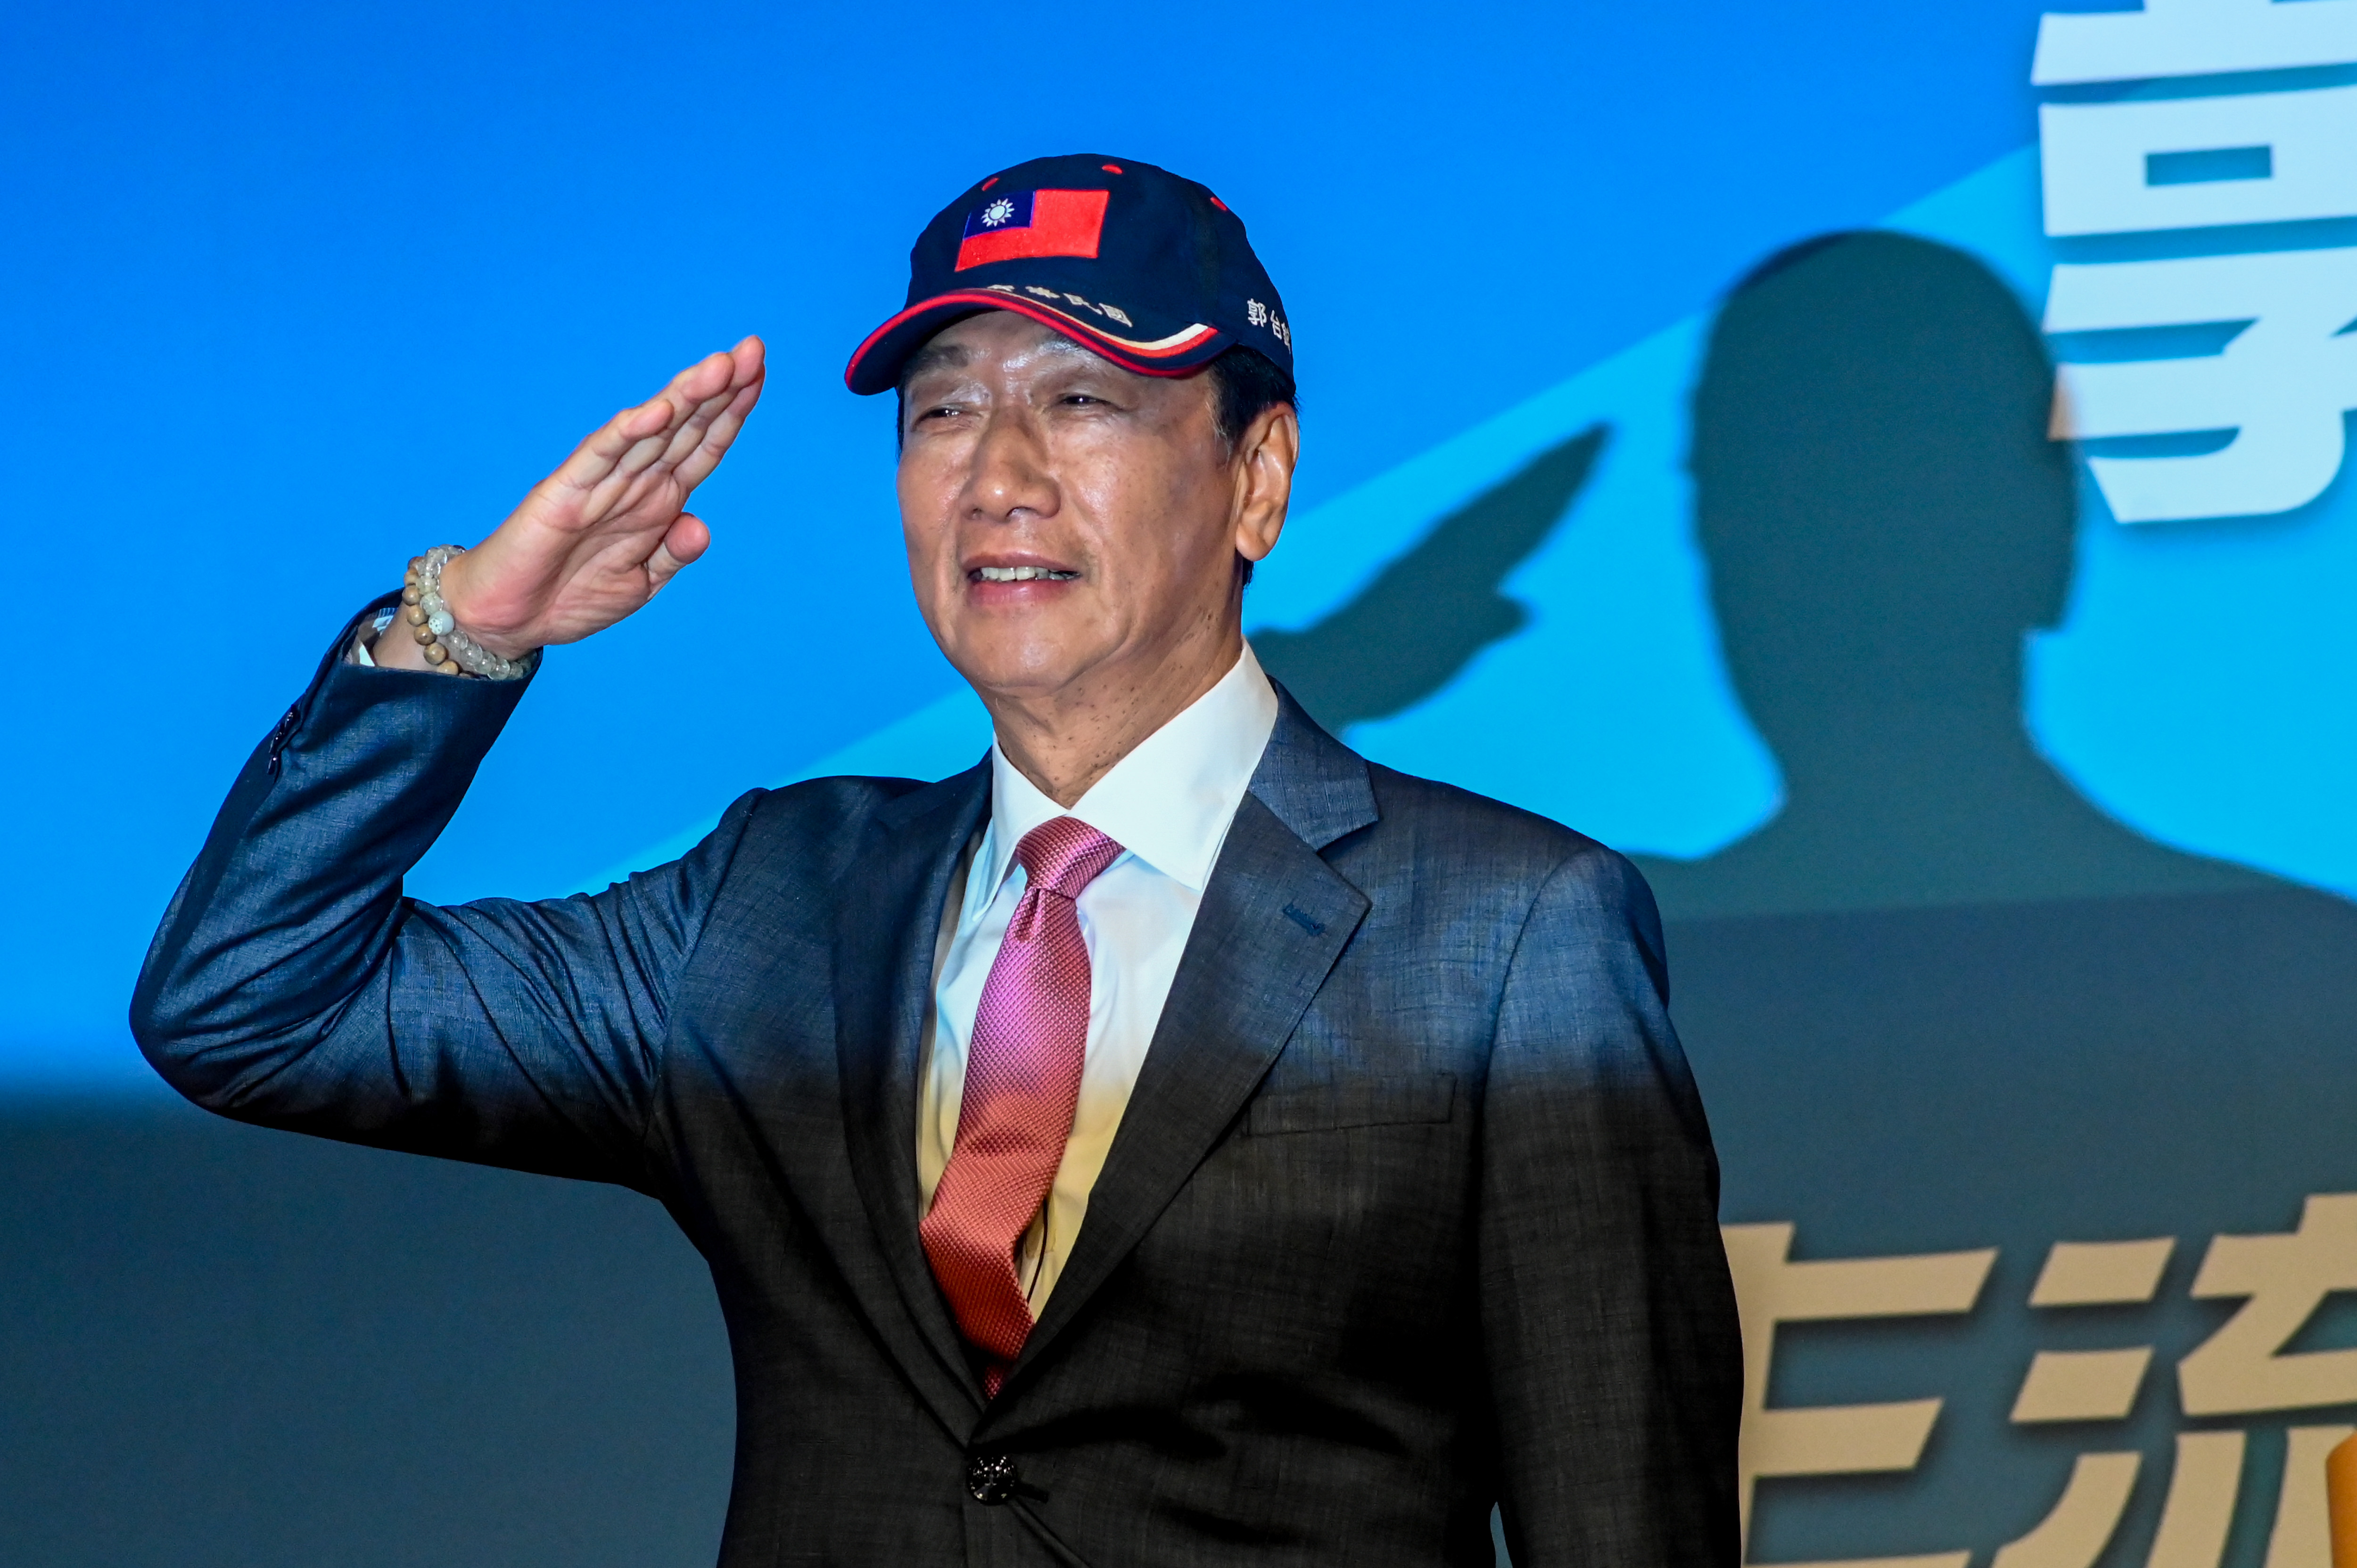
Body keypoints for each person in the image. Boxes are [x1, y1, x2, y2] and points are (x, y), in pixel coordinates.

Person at [133, 153, 1738, 1567]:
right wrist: (467, 631)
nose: (1000, 477)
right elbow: (247, 1004)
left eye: (1083, 401)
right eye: (947, 410)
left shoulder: (1509, 934)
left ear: (1257, 478)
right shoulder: (769, 903)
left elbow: (1622, 1516)